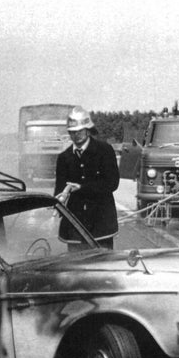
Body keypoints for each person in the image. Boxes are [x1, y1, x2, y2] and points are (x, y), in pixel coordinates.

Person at [54, 106, 120, 250]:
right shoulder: (64, 158)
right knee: (76, 267)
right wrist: (57, 203)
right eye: (72, 132)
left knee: (104, 265)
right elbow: (59, 189)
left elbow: (112, 183)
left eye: (79, 131)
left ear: (88, 130)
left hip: (101, 224)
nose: (75, 135)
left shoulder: (105, 151)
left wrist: (82, 188)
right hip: (75, 227)